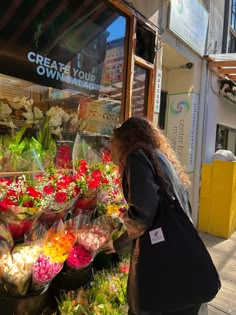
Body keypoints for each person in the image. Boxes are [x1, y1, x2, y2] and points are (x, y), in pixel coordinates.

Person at [107, 117, 204, 315]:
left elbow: (143, 215)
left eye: (114, 144)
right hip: (182, 264)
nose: (113, 151)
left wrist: (116, 242)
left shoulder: (136, 157)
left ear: (124, 141)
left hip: (163, 268)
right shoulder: (159, 156)